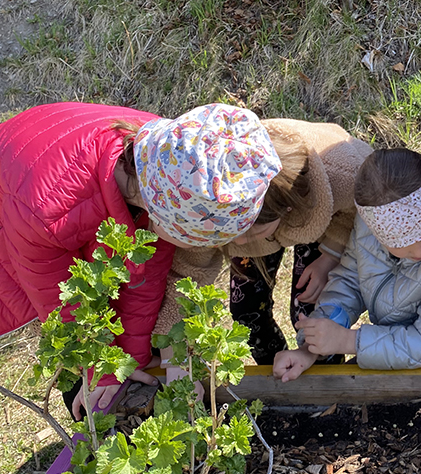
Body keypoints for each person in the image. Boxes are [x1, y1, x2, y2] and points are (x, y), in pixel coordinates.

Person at [0, 102, 282, 418]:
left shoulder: (166, 161)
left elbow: (146, 274)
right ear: (160, 213)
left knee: (117, 289)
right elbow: (60, 302)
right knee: (75, 307)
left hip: (58, 170)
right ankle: (86, 409)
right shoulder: (46, 210)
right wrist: (102, 371)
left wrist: (132, 356)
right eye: (191, 240)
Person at [156, 117, 372, 365]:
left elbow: (358, 210)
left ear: (285, 210)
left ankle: (325, 379)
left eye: (246, 234)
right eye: (228, 236)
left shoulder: (342, 171)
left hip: (324, 217)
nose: (237, 243)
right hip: (268, 214)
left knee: (310, 307)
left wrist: (331, 255)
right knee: (246, 312)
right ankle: (278, 370)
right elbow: (187, 272)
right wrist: (173, 358)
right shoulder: (212, 209)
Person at [273, 148, 421, 379]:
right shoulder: (372, 220)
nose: (420, 251)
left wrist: (350, 341)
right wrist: (313, 346)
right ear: (378, 234)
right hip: (396, 358)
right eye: (403, 246)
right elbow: (350, 280)